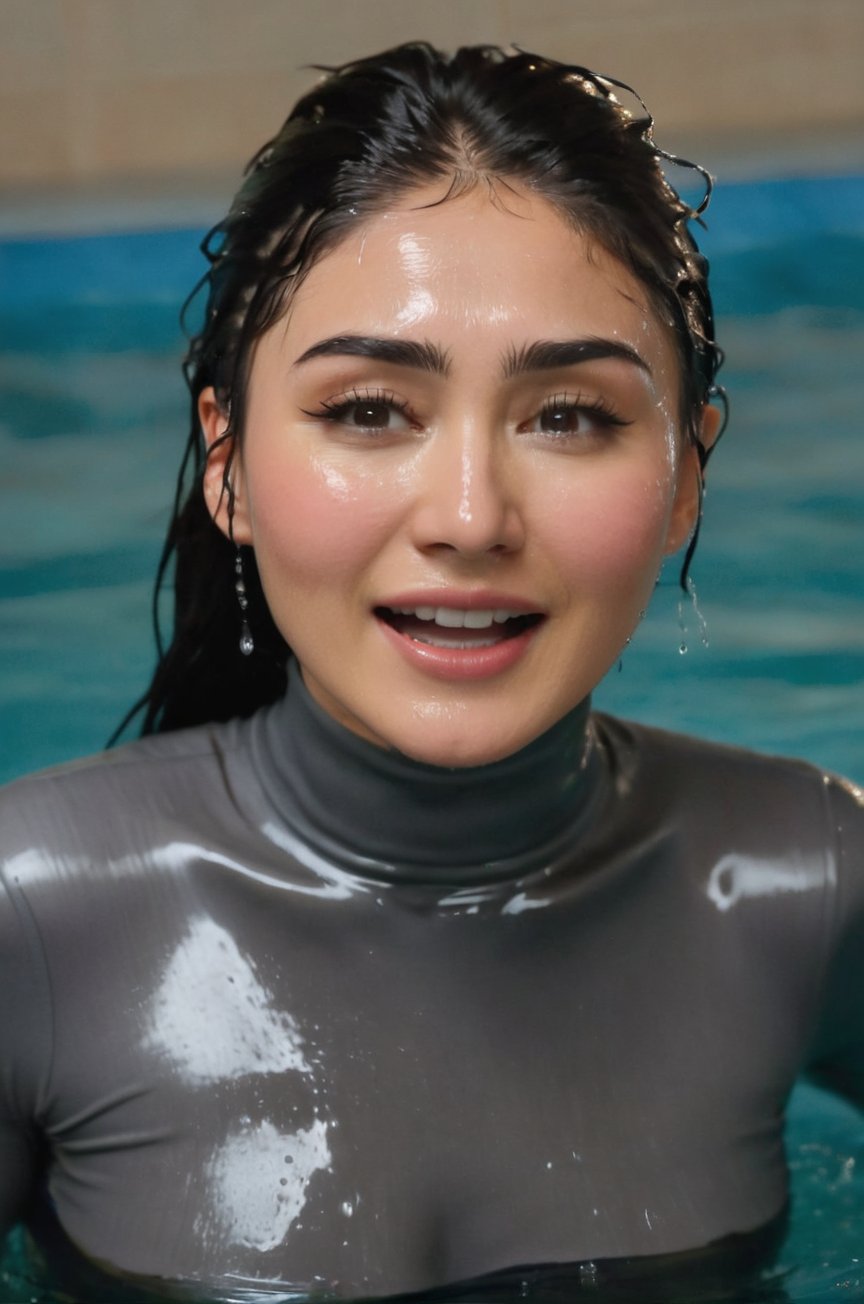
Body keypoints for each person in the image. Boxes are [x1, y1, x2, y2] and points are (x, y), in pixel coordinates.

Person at [0, 41, 861, 1304]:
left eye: (570, 414)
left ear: (685, 473)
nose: (469, 516)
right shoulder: (33, 921)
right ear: (227, 462)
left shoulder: (805, 884)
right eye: (368, 410)